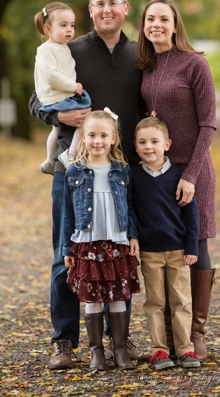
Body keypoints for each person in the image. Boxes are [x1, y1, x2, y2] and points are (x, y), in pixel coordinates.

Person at [31, 0, 143, 369]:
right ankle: (64, 341)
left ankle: (119, 340)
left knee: (119, 253)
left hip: (122, 173)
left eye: (113, 2)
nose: (106, 9)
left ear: (125, 8)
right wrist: (56, 115)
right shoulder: (67, 49)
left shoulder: (140, 54)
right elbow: (37, 97)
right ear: (90, 9)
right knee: (67, 253)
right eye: (98, 4)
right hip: (73, 171)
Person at [135, 0, 218, 360]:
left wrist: (193, 175)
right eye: (150, 18)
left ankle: (196, 333)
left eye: (163, 19)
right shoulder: (146, 67)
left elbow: (208, 123)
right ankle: (169, 336)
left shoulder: (195, 64)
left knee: (194, 245)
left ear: (175, 24)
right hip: (158, 177)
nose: (156, 24)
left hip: (192, 172)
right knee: (160, 249)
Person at [61, 109, 140, 370]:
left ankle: (119, 349)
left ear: (114, 138)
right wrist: (66, 247)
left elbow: (130, 207)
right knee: (92, 297)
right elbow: (67, 214)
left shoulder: (122, 171)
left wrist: (132, 235)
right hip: (88, 243)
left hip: (116, 243)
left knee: (118, 295)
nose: (98, 140)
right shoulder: (74, 172)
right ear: (83, 138)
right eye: (92, 135)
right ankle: (96, 352)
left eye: (103, 135)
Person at [130, 116, 200, 370]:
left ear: (167, 144)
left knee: (181, 301)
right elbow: (131, 210)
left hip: (179, 251)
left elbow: (192, 214)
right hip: (149, 252)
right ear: (135, 146)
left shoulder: (180, 176)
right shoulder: (134, 176)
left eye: (154, 141)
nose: (149, 147)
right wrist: (133, 236)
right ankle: (159, 350)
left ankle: (185, 350)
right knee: (155, 302)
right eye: (142, 142)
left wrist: (192, 246)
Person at [33, 2, 89, 173]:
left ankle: (50, 160)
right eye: (63, 25)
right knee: (85, 119)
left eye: (72, 25)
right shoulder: (46, 50)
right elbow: (52, 76)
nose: (69, 30)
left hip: (59, 96)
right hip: (58, 96)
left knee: (56, 129)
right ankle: (70, 154)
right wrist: (73, 86)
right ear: (48, 29)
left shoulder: (61, 47)